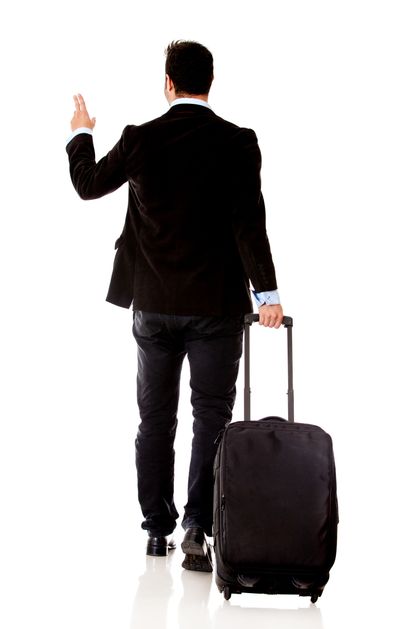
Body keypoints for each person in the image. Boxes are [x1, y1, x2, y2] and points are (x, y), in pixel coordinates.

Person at [66, 40, 283, 572]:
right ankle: (197, 529)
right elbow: (248, 223)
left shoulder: (142, 139)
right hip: (215, 307)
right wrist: (268, 294)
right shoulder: (238, 142)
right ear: (211, 82)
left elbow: (88, 185)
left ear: (168, 83)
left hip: (155, 305)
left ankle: (156, 532)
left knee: (154, 420)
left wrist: (81, 133)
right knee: (211, 418)